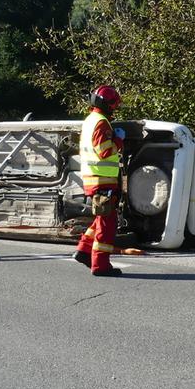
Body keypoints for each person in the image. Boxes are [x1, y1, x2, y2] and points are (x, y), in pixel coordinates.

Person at [74, 85, 124, 277]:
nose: (115, 108)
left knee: (101, 219)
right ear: (107, 104)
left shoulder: (90, 120)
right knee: (107, 224)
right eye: (114, 105)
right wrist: (119, 140)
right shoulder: (101, 123)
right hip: (102, 181)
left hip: (95, 179)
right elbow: (104, 151)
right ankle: (100, 265)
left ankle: (83, 251)